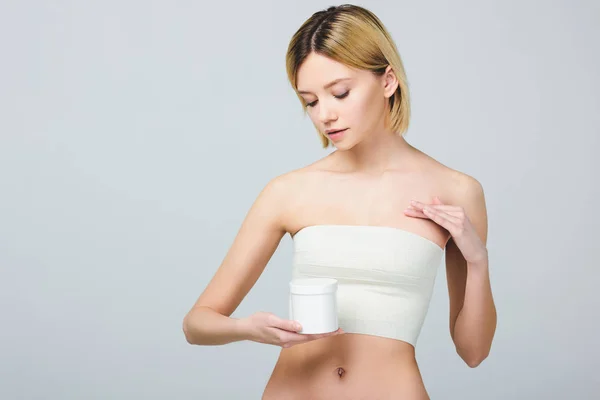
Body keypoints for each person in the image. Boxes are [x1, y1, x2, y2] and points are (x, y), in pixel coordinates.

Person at [182, 4, 497, 399]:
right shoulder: (289, 191)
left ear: (388, 81)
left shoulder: (456, 191)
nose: (325, 115)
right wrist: (249, 328)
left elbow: (474, 352)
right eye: (310, 102)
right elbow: (197, 323)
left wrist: (478, 261)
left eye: (341, 93)